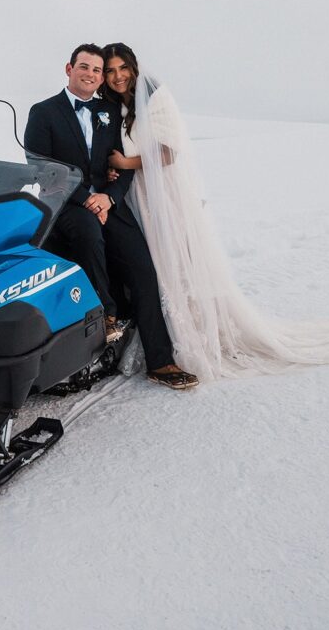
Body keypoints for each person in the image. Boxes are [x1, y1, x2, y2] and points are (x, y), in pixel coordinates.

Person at [101, 42, 329, 382]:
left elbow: (170, 151)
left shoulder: (154, 96)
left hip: (163, 197)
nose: (117, 76)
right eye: (111, 71)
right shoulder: (117, 107)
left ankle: (194, 337)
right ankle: (163, 337)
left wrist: (126, 163)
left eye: (123, 68)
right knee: (155, 268)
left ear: (134, 66)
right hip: (136, 198)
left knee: (175, 263)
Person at [24, 43, 198, 390]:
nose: (91, 75)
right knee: (88, 235)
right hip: (66, 206)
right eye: (84, 67)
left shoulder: (110, 111)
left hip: (108, 202)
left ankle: (161, 361)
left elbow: (126, 161)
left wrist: (108, 197)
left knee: (143, 267)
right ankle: (108, 314)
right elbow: (40, 167)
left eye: (97, 70)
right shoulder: (43, 112)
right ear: (68, 68)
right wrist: (87, 200)